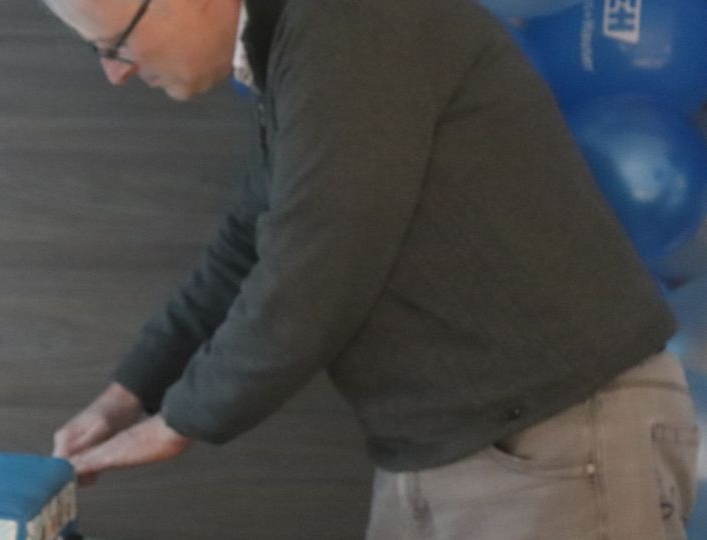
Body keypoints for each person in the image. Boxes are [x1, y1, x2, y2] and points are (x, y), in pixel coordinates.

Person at [44, 0, 700, 537]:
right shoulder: (297, 49)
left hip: (553, 438)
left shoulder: (352, 22)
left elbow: (316, 270)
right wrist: (125, 397)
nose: (114, 72)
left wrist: (180, 421)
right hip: (444, 448)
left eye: (113, 43)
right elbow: (244, 251)